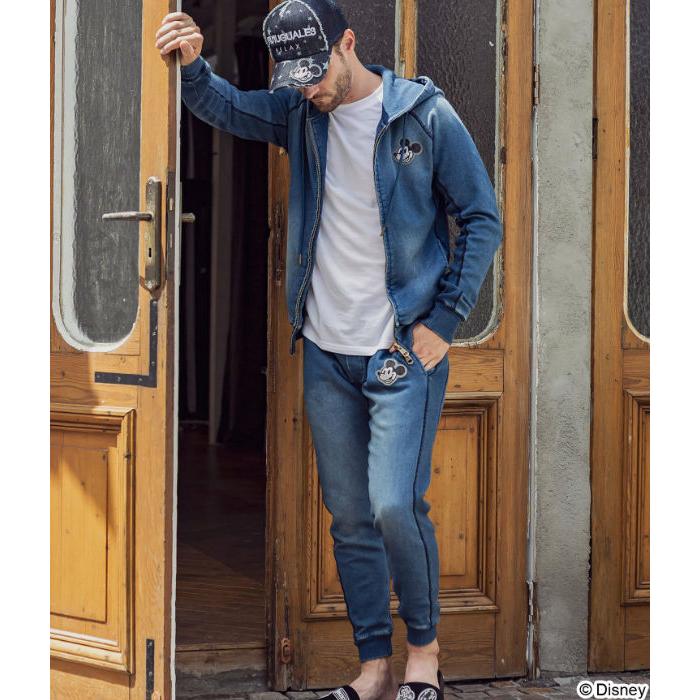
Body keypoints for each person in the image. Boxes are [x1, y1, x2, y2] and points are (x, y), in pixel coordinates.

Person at [156, 2, 502, 699]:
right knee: (349, 518)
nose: (309, 89)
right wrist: (193, 67)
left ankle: (425, 656)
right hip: (326, 351)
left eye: (317, 73)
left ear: (348, 43)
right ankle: (374, 669)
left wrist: (444, 319)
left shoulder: (423, 116)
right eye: (296, 78)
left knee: (394, 506)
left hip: (401, 352)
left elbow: (481, 217)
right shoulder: (298, 112)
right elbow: (226, 107)